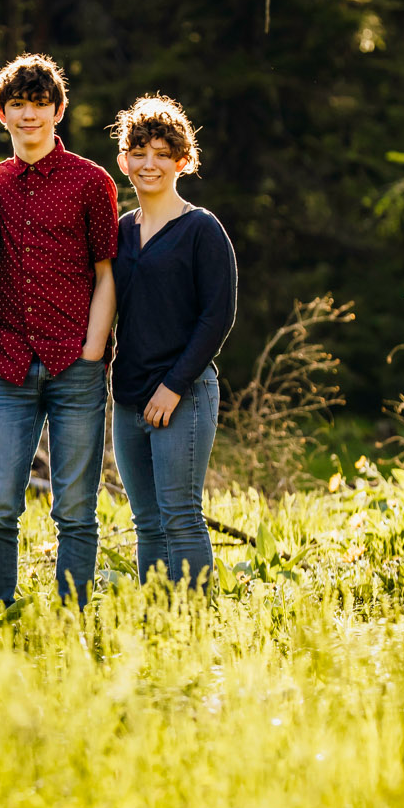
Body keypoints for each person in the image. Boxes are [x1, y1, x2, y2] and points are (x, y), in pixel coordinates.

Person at [0, 54, 119, 605]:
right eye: (18, 105)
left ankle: (74, 614)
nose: (29, 115)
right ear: (1, 113)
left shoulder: (92, 182)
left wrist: (92, 350)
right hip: (8, 361)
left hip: (75, 365)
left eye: (39, 105)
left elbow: (106, 273)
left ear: (58, 110)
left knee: (76, 508)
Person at [109, 95, 237, 589]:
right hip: (128, 396)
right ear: (124, 161)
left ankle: (192, 628)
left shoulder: (202, 229)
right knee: (146, 522)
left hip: (184, 392)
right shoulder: (121, 231)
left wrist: (173, 386)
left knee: (180, 515)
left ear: (182, 161)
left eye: (162, 153)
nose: (149, 163)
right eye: (139, 151)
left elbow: (217, 316)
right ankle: (159, 626)